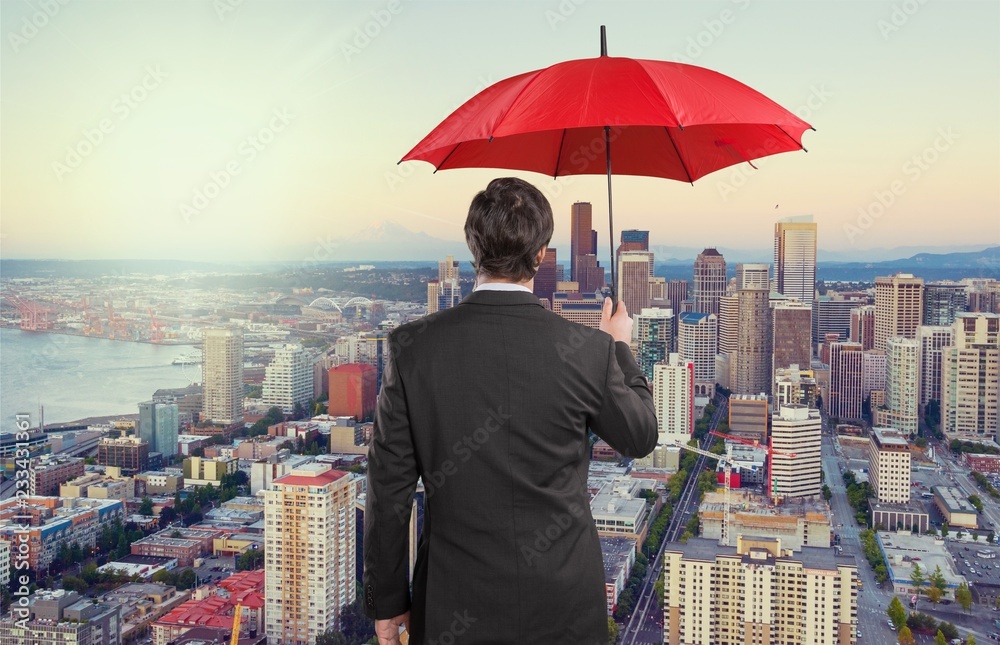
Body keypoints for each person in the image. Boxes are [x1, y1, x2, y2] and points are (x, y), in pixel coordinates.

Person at [364, 177, 658, 644]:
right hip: (565, 608)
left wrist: (387, 600)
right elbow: (640, 437)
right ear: (540, 254)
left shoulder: (412, 349)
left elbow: (388, 489)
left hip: (453, 607)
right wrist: (619, 347)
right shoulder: (586, 351)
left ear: (472, 248)